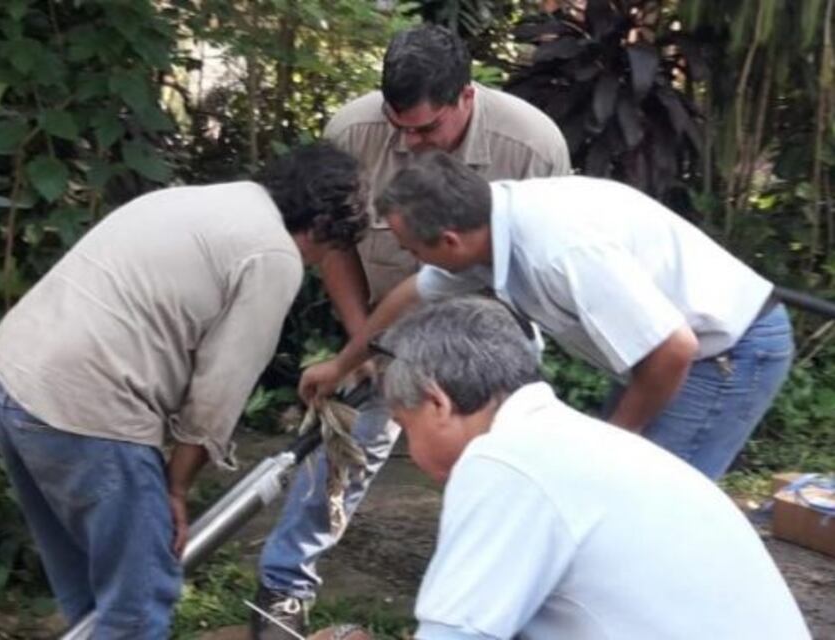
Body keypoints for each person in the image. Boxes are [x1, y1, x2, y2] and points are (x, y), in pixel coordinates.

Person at [253, 24, 570, 637]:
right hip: (386, 317)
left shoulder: (531, 145)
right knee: (346, 438)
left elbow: (536, 264)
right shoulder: (352, 133)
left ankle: (489, 602)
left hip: (491, 327)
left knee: (494, 463)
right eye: (401, 129)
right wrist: (359, 346)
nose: (414, 143)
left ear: (466, 97)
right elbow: (335, 244)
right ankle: (284, 585)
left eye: (429, 129)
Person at [0, 143, 367, 639]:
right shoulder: (273, 253)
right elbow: (218, 395)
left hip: (16, 387)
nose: (316, 264)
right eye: (327, 252)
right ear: (322, 227)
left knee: (94, 603)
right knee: (139, 601)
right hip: (90, 412)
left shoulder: (193, 202)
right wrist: (175, 488)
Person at [301, 151, 794, 484]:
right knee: (610, 493)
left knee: (648, 502)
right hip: (663, 353)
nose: (418, 261)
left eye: (415, 250)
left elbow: (674, 348)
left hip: (726, 351)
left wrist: (612, 445)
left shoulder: (558, 251)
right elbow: (410, 297)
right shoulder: (487, 233)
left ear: (449, 240)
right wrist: (341, 365)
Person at [335, 296, 808, 640]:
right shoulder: (587, 445)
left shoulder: (505, 460)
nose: (412, 454)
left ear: (437, 402)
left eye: (404, 425)